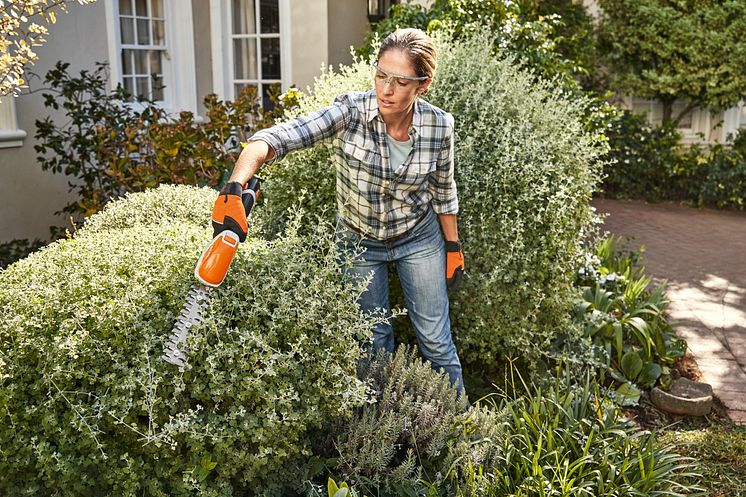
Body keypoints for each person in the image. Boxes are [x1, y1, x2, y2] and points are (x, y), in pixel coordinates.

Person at [211, 28, 466, 394]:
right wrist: (235, 187)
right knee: (372, 343)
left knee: (436, 341)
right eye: (381, 75)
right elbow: (277, 138)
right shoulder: (349, 112)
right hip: (358, 241)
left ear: (422, 86)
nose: (386, 89)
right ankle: (379, 435)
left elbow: (443, 191)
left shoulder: (439, 126)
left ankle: (462, 433)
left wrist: (453, 248)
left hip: (418, 237)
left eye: (400, 81)